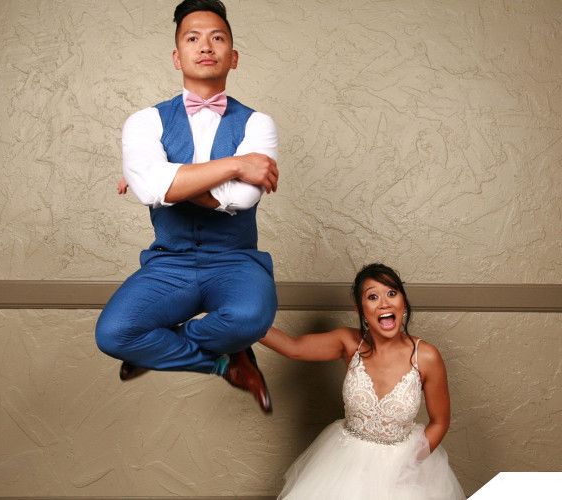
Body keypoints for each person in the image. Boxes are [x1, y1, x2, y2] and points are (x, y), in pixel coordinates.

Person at [95, 0, 279, 413]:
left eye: (217, 38)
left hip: (234, 261)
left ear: (233, 57)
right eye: (192, 38)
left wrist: (163, 178)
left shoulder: (258, 123)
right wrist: (235, 164)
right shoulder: (144, 121)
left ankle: (171, 346)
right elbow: (155, 189)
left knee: (252, 318)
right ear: (178, 56)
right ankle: (225, 362)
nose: (205, 46)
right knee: (114, 334)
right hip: (169, 263)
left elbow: (241, 198)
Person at [260, 263, 465, 498]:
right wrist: (240, 322)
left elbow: (440, 421)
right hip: (345, 465)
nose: (384, 303)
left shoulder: (426, 356)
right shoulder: (349, 342)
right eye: (373, 297)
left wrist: (408, 464)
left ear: (403, 302)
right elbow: (293, 348)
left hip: (401, 471)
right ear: (361, 309)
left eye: (391, 293)